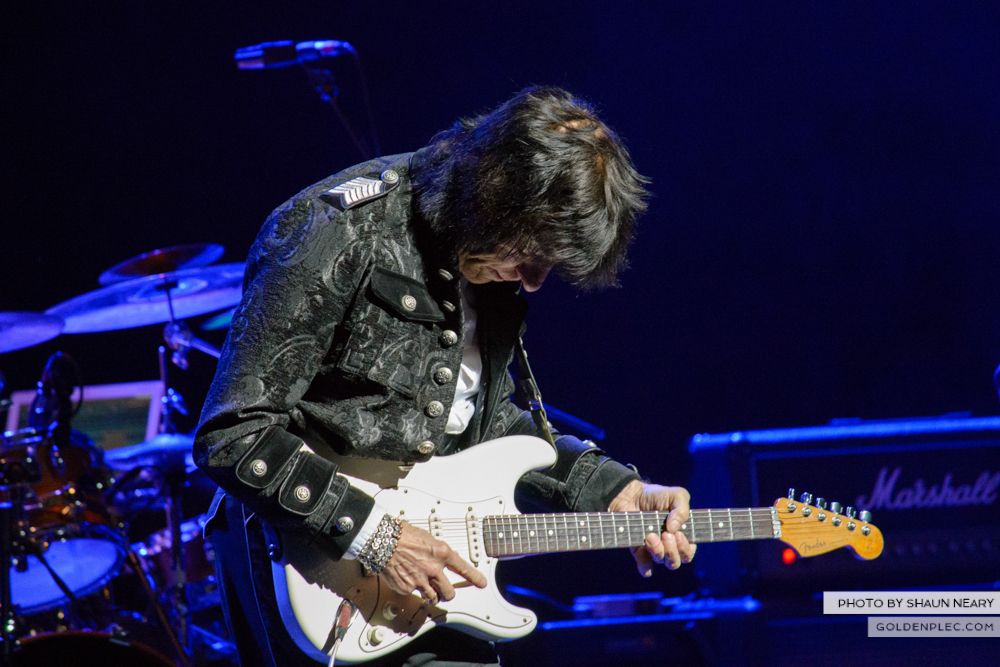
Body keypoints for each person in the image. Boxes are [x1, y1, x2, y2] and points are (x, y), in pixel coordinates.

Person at [194, 86, 697, 667]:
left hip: (437, 574)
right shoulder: (335, 227)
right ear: (496, 195)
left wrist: (618, 491)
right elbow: (233, 433)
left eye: (546, 268)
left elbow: (487, 425)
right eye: (529, 254)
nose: (532, 282)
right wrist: (376, 536)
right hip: (307, 568)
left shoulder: (494, 276)